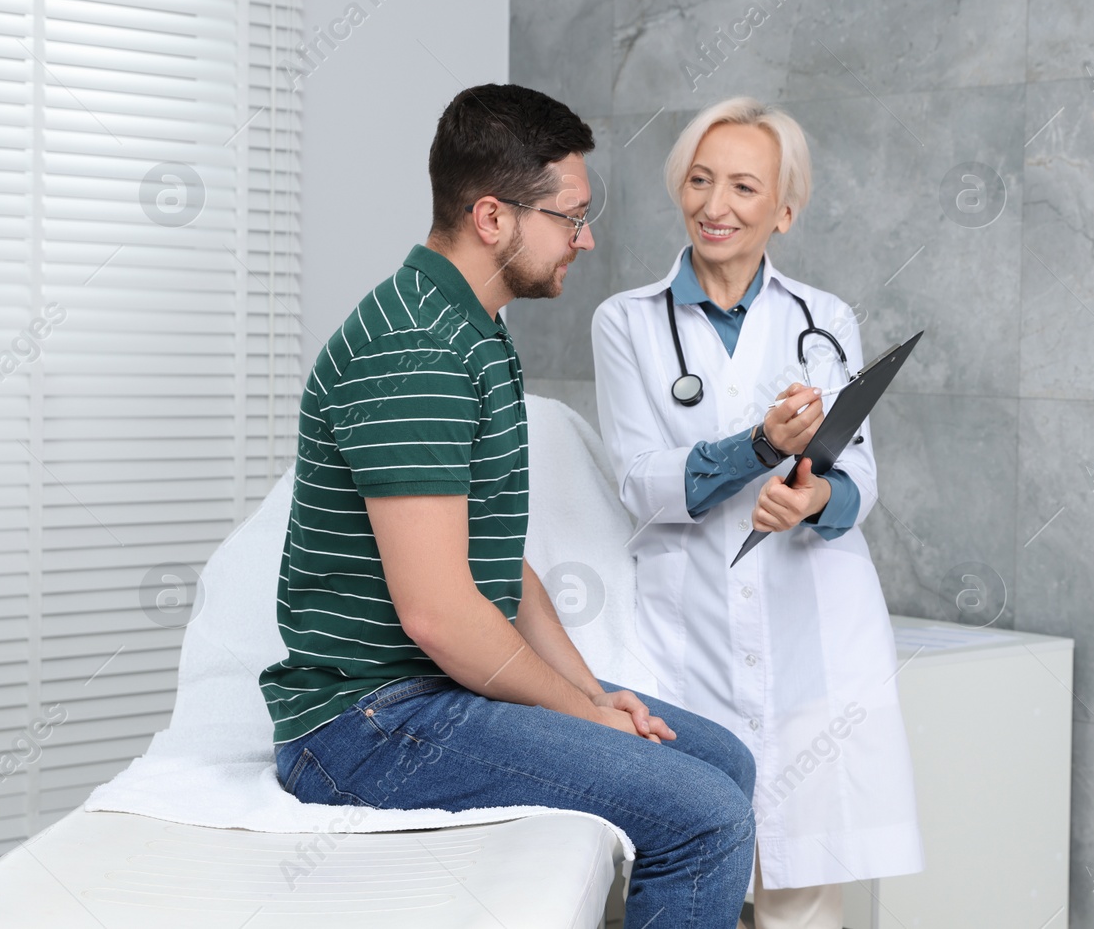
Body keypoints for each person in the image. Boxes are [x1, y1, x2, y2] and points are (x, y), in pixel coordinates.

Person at [258, 83, 756, 929]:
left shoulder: (471, 330)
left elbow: (494, 565)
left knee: (723, 761)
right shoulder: (414, 345)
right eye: (571, 216)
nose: (586, 238)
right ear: (493, 217)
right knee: (706, 820)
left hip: (431, 694)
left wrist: (591, 693)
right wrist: (587, 716)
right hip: (365, 724)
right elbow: (441, 616)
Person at [591, 97, 923, 929]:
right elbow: (641, 481)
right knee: (692, 879)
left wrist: (816, 495)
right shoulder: (627, 322)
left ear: (784, 210)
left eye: (744, 186)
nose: (715, 205)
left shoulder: (825, 319)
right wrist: (759, 447)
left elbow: (859, 481)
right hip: (686, 639)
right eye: (699, 180)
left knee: (802, 904)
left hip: (812, 629)